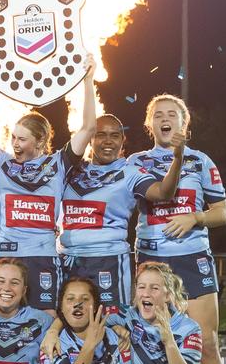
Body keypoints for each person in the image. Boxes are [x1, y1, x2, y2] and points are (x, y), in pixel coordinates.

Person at [0, 56, 97, 314]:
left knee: (45, 321)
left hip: (42, 258)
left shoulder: (59, 163)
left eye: (22, 139)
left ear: (40, 141)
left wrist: (89, 80)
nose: (15, 144)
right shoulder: (1, 162)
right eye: (13, 137)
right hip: (5, 254)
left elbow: (89, 127)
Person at [127, 94, 226, 363]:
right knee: (151, 341)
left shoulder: (201, 161)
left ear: (185, 125)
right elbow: (150, 196)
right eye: (158, 115)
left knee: (206, 341)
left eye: (172, 114)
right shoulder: (135, 162)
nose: (165, 119)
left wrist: (196, 217)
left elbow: (223, 212)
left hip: (192, 258)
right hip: (152, 260)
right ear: (149, 124)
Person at [59, 114, 185, 312]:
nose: (108, 141)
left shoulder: (130, 172)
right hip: (67, 259)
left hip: (108, 260)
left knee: (114, 326)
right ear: (90, 138)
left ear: (122, 140)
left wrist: (177, 159)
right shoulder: (71, 170)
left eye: (115, 135)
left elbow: (163, 192)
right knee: (68, 321)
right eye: (101, 135)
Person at [42, 262, 202, 364]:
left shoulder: (189, 329)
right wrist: (53, 331)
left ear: (168, 295)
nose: (146, 293)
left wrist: (169, 343)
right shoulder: (127, 314)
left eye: (154, 288)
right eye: (141, 287)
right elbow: (83, 312)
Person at [40, 277, 128, 364]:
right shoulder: (52, 345)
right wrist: (90, 344)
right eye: (70, 299)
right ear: (61, 307)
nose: (77, 304)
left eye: (85, 299)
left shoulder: (116, 337)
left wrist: (127, 334)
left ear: (95, 307)